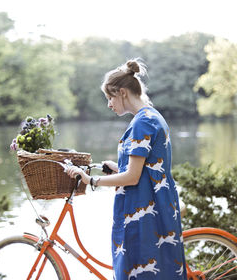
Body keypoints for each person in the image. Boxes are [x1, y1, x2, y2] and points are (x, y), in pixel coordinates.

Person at [66, 58, 187, 280]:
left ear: (122, 92)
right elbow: (144, 169)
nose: (109, 104)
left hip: (143, 212)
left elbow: (132, 178)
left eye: (109, 97)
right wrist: (117, 167)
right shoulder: (152, 116)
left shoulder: (142, 123)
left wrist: (90, 180)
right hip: (157, 204)